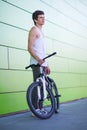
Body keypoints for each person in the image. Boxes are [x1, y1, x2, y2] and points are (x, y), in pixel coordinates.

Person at [28, 10, 50, 111]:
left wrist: (47, 64)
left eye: (43, 17)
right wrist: (38, 60)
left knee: (43, 86)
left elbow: (42, 51)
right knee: (37, 86)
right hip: (36, 63)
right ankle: (35, 109)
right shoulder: (34, 30)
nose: (43, 19)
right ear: (35, 19)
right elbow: (30, 48)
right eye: (41, 17)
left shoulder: (41, 32)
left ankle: (40, 108)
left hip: (42, 62)